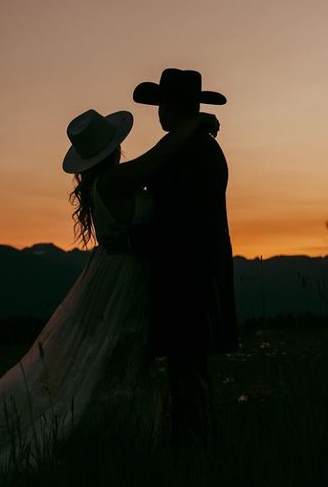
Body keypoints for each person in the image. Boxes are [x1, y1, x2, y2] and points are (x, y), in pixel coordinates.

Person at [0, 106, 219, 476]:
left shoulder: (106, 184)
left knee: (112, 361)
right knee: (112, 360)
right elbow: (160, 156)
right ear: (112, 149)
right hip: (123, 280)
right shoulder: (115, 181)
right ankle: (103, 439)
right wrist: (194, 123)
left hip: (116, 275)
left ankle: (120, 437)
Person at [119, 68, 239, 451]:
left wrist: (131, 238)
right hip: (194, 273)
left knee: (187, 369)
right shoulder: (195, 148)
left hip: (188, 276)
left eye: (162, 106)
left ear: (173, 108)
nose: (159, 114)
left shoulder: (192, 153)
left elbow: (183, 221)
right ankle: (198, 447)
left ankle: (194, 450)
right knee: (188, 368)